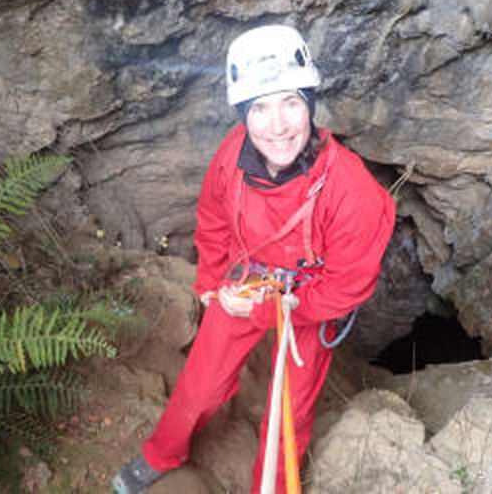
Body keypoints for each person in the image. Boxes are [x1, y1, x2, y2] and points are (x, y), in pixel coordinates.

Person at [113, 25, 396, 493]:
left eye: (290, 102)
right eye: (260, 108)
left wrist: (276, 309)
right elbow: (213, 220)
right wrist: (210, 282)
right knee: (200, 383)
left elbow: (348, 286)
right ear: (244, 113)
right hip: (245, 282)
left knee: (289, 413)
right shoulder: (231, 158)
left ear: (310, 103)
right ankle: (162, 452)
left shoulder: (351, 191)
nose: (278, 125)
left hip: (306, 302)